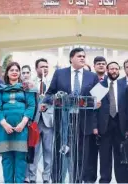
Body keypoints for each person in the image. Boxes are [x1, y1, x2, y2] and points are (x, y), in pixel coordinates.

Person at [42, 47, 100, 183]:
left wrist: (97, 103)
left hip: (83, 121)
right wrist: (56, 99)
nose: (82, 58)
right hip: (63, 121)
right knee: (61, 154)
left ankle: (77, 181)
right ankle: (58, 180)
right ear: (71, 58)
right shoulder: (59, 73)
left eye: (84, 56)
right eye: (79, 56)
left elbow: (99, 97)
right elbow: (48, 95)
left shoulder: (92, 76)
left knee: (80, 157)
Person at [0, 62, 36, 183]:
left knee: (21, 158)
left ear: (20, 73)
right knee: (6, 158)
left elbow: (31, 106)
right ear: (7, 73)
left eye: (17, 70)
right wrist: (4, 124)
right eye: (12, 70)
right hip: (4, 129)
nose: (14, 72)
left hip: (21, 129)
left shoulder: (27, 88)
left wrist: (23, 123)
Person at [97, 62, 128, 183]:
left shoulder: (124, 86)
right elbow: (94, 109)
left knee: (121, 154)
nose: (114, 71)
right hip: (104, 125)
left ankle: (123, 180)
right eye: (111, 69)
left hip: (120, 124)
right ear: (107, 70)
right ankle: (105, 179)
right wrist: (95, 127)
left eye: (116, 69)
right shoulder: (100, 86)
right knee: (105, 155)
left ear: (119, 71)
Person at [26, 58, 53, 183]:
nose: (44, 69)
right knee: (34, 151)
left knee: (48, 151)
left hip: (49, 121)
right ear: (36, 68)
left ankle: (46, 177)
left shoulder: (53, 82)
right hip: (35, 122)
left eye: (46, 67)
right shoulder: (31, 83)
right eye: (42, 67)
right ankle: (32, 177)